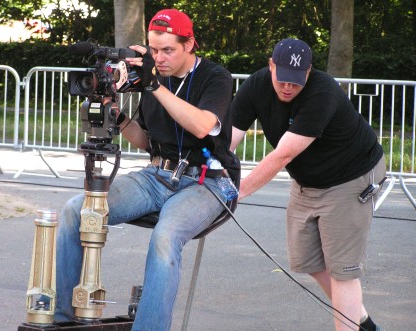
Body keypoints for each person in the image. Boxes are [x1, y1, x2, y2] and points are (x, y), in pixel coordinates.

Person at [53, 8, 240, 331]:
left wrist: (154, 85)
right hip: (157, 175)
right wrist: (118, 117)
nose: (159, 58)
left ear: (190, 44)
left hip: (208, 180)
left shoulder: (215, 77)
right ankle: (62, 321)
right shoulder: (154, 78)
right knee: (76, 211)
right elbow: (144, 140)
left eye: (168, 50)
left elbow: (202, 126)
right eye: (153, 50)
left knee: (166, 235)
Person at [230, 38, 385, 331]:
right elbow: (228, 140)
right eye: (282, 78)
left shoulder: (323, 91)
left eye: (296, 81)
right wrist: (210, 173)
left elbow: (283, 154)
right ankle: (361, 320)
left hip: (351, 177)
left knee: (343, 271)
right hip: (306, 181)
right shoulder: (256, 86)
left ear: (310, 72)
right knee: (309, 261)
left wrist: (237, 191)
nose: (288, 87)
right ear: (271, 65)